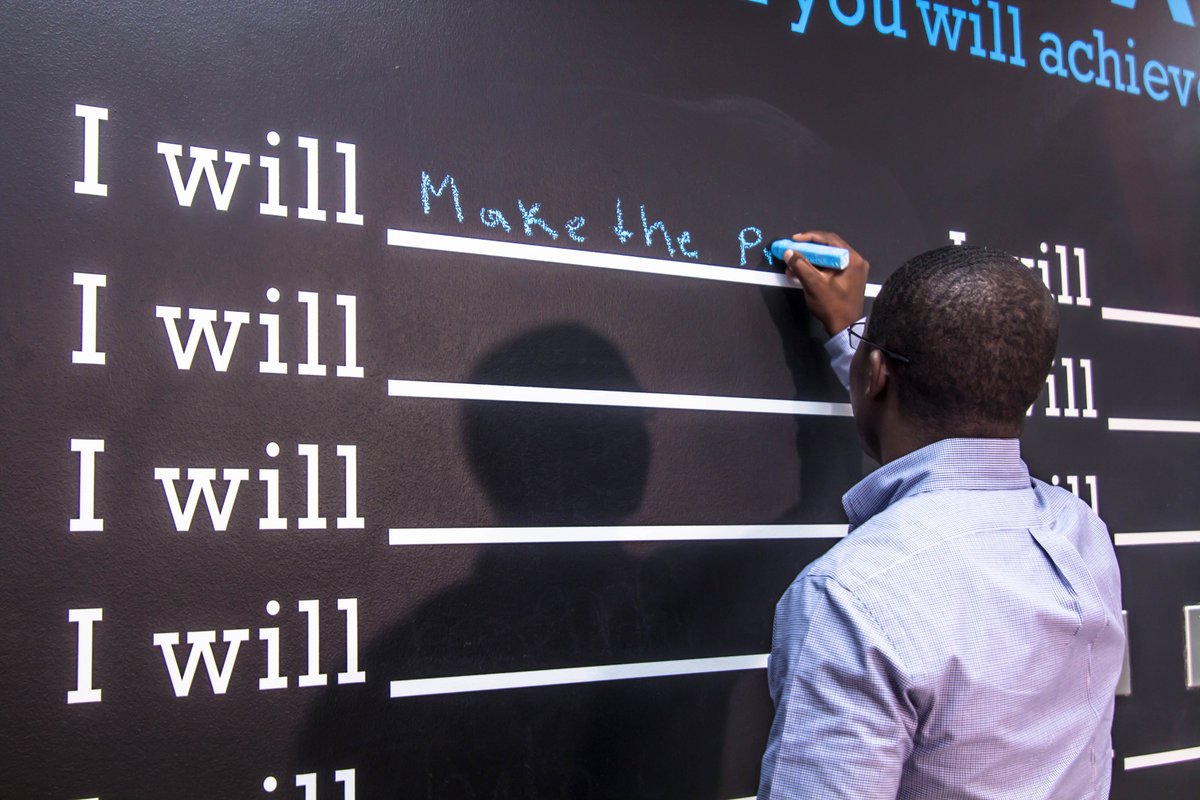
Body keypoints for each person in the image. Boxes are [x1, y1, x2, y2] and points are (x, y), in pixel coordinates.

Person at [758, 232, 1125, 799]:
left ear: (876, 374)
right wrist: (858, 341)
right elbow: (950, 411)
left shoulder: (852, 600)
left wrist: (869, 350)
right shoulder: (1081, 536)